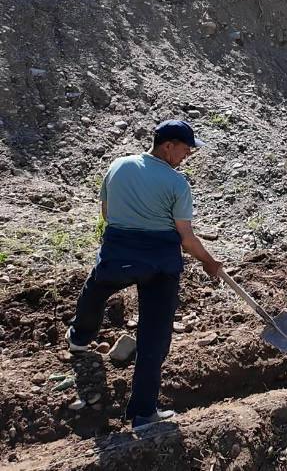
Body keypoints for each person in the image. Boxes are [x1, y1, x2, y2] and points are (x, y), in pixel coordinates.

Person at [67, 120, 224, 431]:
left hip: (119, 253)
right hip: (161, 266)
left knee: (95, 288)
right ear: (167, 146)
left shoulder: (119, 166)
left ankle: (80, 339)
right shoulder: (177, 184)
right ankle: (143, 413)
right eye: (186, 148)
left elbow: (106, 214)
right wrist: (210, 261)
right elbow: (187, 239)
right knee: (154, 337)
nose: (188, 155)